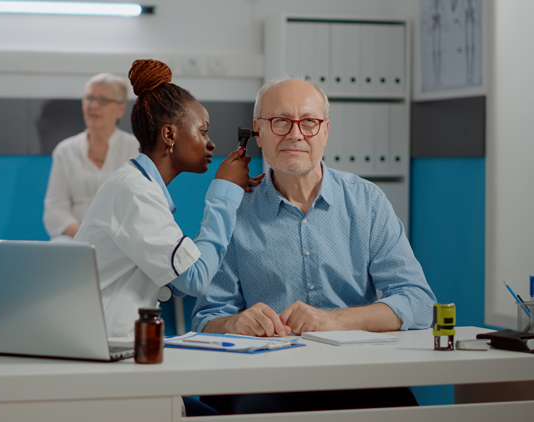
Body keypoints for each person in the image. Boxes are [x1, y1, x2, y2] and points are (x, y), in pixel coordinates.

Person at [191, 77, 437, 414]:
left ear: (325, 132)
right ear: (258, 132)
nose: (295, 134)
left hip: (360, 375)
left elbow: (419, 302)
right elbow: (207, 318)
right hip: (269, 380)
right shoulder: (235, 212)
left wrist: (335, 321)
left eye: (309, 122)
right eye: (280, 122)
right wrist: (232, 324)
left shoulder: (367, 202)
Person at [74, 59, 264, 339]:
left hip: (103, 338)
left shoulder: (138, 186)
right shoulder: (135, 192)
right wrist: (223, 193)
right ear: (169, 134)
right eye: (203, 131)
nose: (211, 143)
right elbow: (195, 279)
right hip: (97, 341)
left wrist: (228, 189)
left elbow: (172, 279)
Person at [43, 73, 139, 242]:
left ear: (121, 109)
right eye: (89, 98)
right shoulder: (65, 151)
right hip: (76, 237)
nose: (93, 105)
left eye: (103, 100)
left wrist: (112, 236)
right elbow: (55, 210)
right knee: (59, 248)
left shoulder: (136, 149)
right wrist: (85, 233)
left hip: (122, 239)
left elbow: (143, 206)